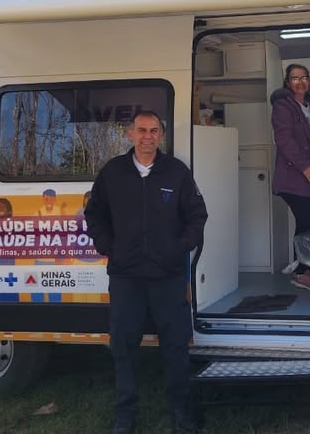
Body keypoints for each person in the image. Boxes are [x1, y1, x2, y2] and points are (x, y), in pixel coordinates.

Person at [84, 111, 208, 434]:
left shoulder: (177, 172)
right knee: (123, 347)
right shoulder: (113, 172)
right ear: (130, 134)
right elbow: (94, 214)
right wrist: (109, 247)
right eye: (141, 130)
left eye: (154, 131)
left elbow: (197, 216)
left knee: (175, 346)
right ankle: (125, 414)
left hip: (168, 276)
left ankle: (181, 412)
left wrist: (178, 248)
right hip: (126, 276)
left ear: (161, 135)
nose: (147, 136)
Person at [270, 63, 310, 291]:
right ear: (288, 82)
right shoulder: (283, 106)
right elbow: (284, 140)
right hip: (294, 175)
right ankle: (303, 273)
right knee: (307, 223)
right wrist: (305, 166)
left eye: (304, 77)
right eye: (295, 78)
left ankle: (303, 268)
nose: (300, 82)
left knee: (308, 223)